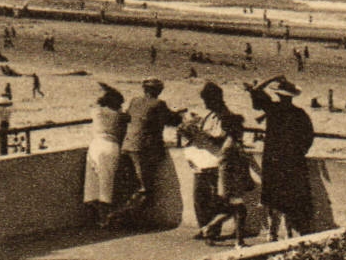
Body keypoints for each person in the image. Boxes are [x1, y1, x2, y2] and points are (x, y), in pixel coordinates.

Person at [247, 75, 314, 239]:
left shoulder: (272, 109)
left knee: (272, 197)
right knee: (291, 197)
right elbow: (308, 137)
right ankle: (289, 232)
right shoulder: (299, 114)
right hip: (292, 161)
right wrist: (299, 152)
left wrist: (272, 78)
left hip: (272, 160)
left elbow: (255, 91)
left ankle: (273, 232)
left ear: (278, 95)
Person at [181, 82, 237, 240]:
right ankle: (204, 228)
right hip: (202, 162)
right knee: (200, 199)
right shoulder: (211, 115)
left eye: (206, 100)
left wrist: (200, 134)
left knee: (213, 200)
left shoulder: (226, 116)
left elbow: (221, 139)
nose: (205, 104)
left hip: (215, 162)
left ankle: (211, 230)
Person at [120, 77, 181, 221]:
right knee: (145, 188)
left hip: (128, 146)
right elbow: (172, 121)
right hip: (143, 149)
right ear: (158, 91)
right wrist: (178, 115)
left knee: (130, 185)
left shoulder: (135, 101)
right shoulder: (159, 104)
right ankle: (125, 218)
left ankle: (125, 216)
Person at [198, 115, 260, 247]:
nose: (242, 130)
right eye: (239, 128)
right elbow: (223, 166)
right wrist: (227, 188)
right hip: (230, 186)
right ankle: (238, 242)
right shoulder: (230, 145)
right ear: (233, 129)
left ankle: (208, 228)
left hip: (232, 185)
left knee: (231, 211)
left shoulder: (233, 143)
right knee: (240, 211)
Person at [83, 84, 127, 226]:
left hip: (95, 146)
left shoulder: (96, 111)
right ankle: (104, 220)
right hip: (110, 146)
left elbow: (95, 103)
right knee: (106, 186)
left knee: (91, 186)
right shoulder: (119, 115)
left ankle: (92, 220)